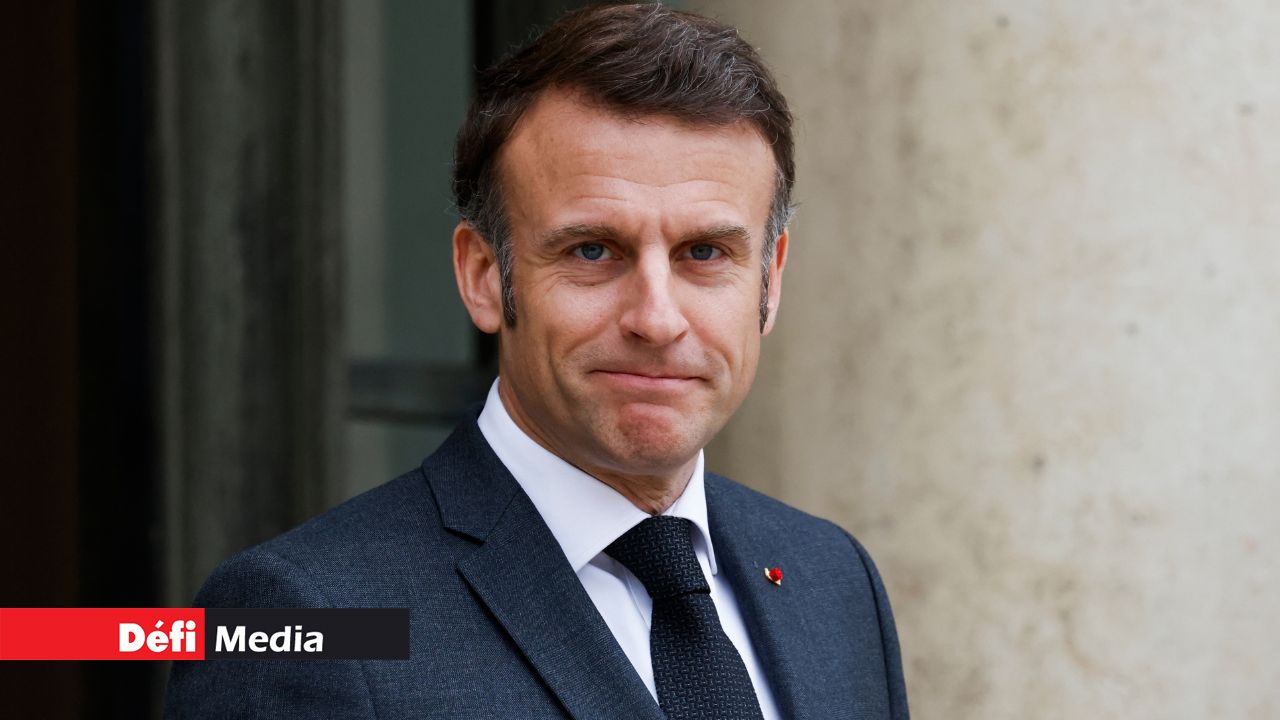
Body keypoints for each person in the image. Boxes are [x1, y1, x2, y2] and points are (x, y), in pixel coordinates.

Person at [165, 5, 908, 719]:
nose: (656, 319)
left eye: (705, 253)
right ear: (484, 276)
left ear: (770, 280)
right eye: (593, 251)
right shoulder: (302, 619)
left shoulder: (833, 581)